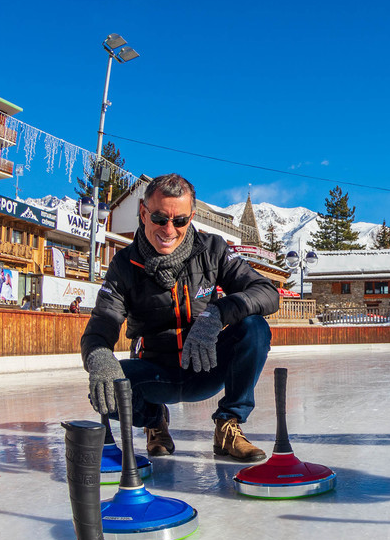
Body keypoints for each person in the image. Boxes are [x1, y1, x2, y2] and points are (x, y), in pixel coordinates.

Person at [80, 173, 280, 461]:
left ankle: (228, 425)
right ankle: (154, 421)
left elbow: (266, 292)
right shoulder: (124, 265)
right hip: (154, 375)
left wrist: (217, 313)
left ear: (192, 217)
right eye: (160, 218)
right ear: (143, 212)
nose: (169, 229)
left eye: (180, 220)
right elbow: (102, 323)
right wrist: (99, 357)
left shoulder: (213, 250)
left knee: (254, 327)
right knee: (103, 388)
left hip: (206, 367)